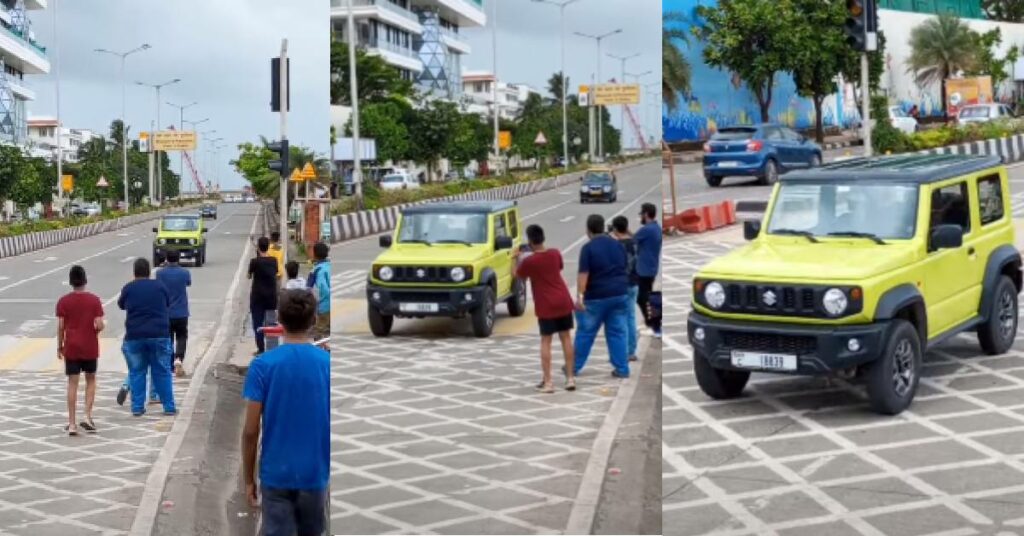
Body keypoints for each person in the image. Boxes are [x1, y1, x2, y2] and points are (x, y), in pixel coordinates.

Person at [242, 289, 330, 536]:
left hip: (275, 474)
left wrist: (248, 479)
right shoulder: (328, 365)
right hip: (315, 473)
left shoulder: (262, 366)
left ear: (279, 320)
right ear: (313, 320)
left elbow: (250, 431)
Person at [513, 224, 576, 393]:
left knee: (546, 341)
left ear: (530, 241)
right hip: (563, 300)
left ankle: (548, 382)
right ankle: (570, 378)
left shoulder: (530, 261)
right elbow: (559, 267)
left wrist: (515, 258)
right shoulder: (555, 253)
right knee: (566, 338)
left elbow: (517, 275)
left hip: (546, 304)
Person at [573, 214, 631, 378]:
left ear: (588, 230)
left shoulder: (588, 248)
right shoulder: (618, 245)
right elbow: (624, 266)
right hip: (620, 294)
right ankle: (622, 368)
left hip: (596, 297)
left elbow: (583, 275)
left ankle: (574, 367)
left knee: (586, 332)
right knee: (617, 332)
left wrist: (580, 297)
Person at [118, 258, 176, 417]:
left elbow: (121, 305)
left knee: (137, 371)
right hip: (159, 335)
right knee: (162, 371)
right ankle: (169, 407)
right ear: (149, 271)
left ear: (134, 272)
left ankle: (137, 407)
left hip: (135, 336)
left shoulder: (128, 288)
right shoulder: (160, 286)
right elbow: (167, 303)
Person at [56, 265, 105, 435]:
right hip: (90, 345)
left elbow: (61, 326)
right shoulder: (94, 300)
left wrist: (59, 345)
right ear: (85, 280)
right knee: (90, 379)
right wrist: (95, 331)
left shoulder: (63, 301)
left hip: (71, 346)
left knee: (72, 383)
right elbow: (99, 324)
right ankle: (87, 416)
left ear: (71, 281)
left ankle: (71, 424)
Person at [609, 216, 640, 362]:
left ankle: (623, 352)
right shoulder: (635, 242)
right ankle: (631, 351)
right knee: (631, 317)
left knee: (619, 320)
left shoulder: (615, 246)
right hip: (634, 282)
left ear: (615, 229)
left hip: (621, 285)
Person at [156, 250, 191, 377]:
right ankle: (179, 358)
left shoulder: (160, 274)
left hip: (166, 312)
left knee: (168, 338)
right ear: (178, 258)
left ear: (166, 258)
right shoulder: (184, 272)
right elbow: (188, 283)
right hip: (182, 311)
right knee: (182, 336)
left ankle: (171, 364)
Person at [635, 203, 663, 339]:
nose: (641, 217)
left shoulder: (646, 230)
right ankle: (652, 324)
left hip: (644, 269)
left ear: (646, 214)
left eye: (641, 214)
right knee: (647, 296)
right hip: (651, 268)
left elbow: (632, 240)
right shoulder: (656, 228)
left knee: (643, 298)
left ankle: (653, 325)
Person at [250, 237, 280, 355]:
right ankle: (272, 349)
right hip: (271, 296)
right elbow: (276, 272)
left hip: (257, 297)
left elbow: (249, 275)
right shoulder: (274, 261)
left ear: (258, 247)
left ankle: (261, 349)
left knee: (257, 323)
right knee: (272, 323)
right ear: (268, 246)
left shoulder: (254, 262)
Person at [307, 242, 331, 343]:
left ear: (314, 254)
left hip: (324, 307)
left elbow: (322, 290)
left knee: (319, 337)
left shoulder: (317, 271)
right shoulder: (330, 266)